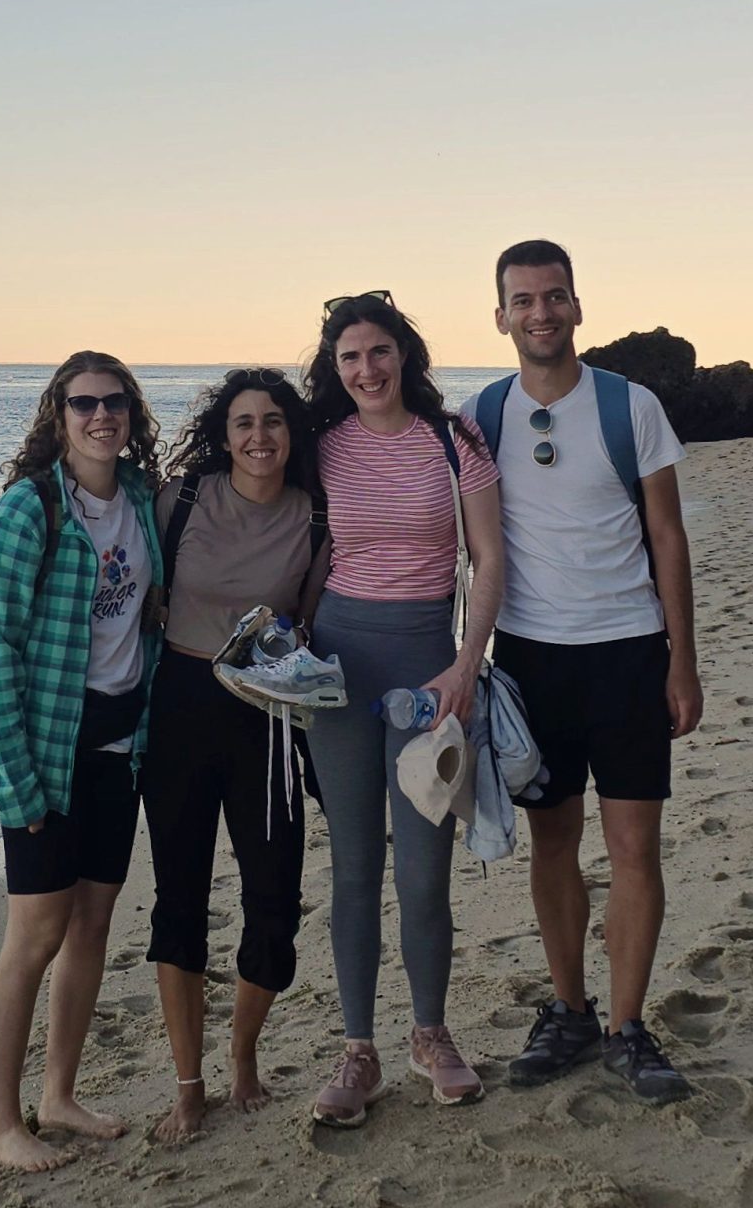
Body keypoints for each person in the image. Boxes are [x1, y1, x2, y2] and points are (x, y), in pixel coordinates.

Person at [463, 240, 703, 1103]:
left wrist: (683, 661)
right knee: (553, 843)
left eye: (554, 296)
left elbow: (667, 536)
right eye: (524, 300)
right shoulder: (480, 415)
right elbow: (462, 542)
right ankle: (569, 1011)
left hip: (630, 653)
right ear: (500, 316)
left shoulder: (630, 405)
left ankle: (628, 1028)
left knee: (635, 846)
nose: (541, 313)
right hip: (531, 662)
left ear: (576, 306)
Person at [300, 293, 505, 1127]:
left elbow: (489, 558)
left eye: (379, 351)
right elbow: (275, 526)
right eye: (350, 357)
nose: (367, 369)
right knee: (353, 869)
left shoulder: (455, 443)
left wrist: (466, 665)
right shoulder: (321, 446)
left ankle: (431, 1034)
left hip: (429, 672)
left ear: (404, 354)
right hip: (338, 672)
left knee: (424, 871)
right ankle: (359, 1050)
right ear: (334, 368)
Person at [0, 350, 165, 1171]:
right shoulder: (29, 510)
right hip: (46, 753)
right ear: (59, 416)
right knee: (35, 936)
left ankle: (59, 1096)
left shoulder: (142, 500)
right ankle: (1, 1125)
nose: (100, 415)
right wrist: (15, 783)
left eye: (114, 402)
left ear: (132, 415)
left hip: (120, 747)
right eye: (84, 403)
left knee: (91, 925)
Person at [141, 367, 327, 1142]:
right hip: (179, 711)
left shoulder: (314, 517)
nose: (259, 436)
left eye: (273, 421)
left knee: (275, 906)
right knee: (179, 903)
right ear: (224, 434)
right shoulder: (180, 500)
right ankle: (189, 1085)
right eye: (244, 422)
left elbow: (311, 624)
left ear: (292, 431)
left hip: (267, 721)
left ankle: (244, 1053)